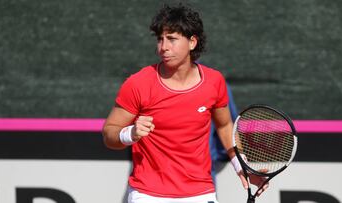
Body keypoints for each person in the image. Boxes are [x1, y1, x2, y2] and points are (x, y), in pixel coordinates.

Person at [102, 3, 268, 203]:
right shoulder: (137, 83)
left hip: (201, 192)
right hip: (148, 194)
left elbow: (224, 127)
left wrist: (242, 167)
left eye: (172, 39)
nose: (163, 47)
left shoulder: (214, 82)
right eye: (160, 39)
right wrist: (130, 133)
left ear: (192, 42)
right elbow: (109, 133)